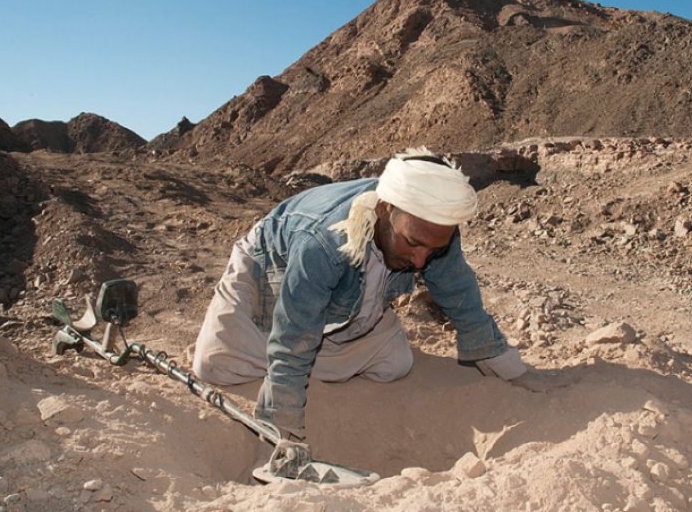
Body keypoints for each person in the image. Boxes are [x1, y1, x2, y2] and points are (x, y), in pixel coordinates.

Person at [192, 147, 557, 445]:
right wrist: (283, 425)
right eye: (413, 243)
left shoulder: (430, 228)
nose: (420, 261)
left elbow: (459, 294)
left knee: (395, 364)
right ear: (384, 210)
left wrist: (509, 368)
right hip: (269, 261)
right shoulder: (324, 242)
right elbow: (295, 332)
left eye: (433, 249)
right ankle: (295, 358)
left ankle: (312, 353)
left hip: (356, 273)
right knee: (212, 364)